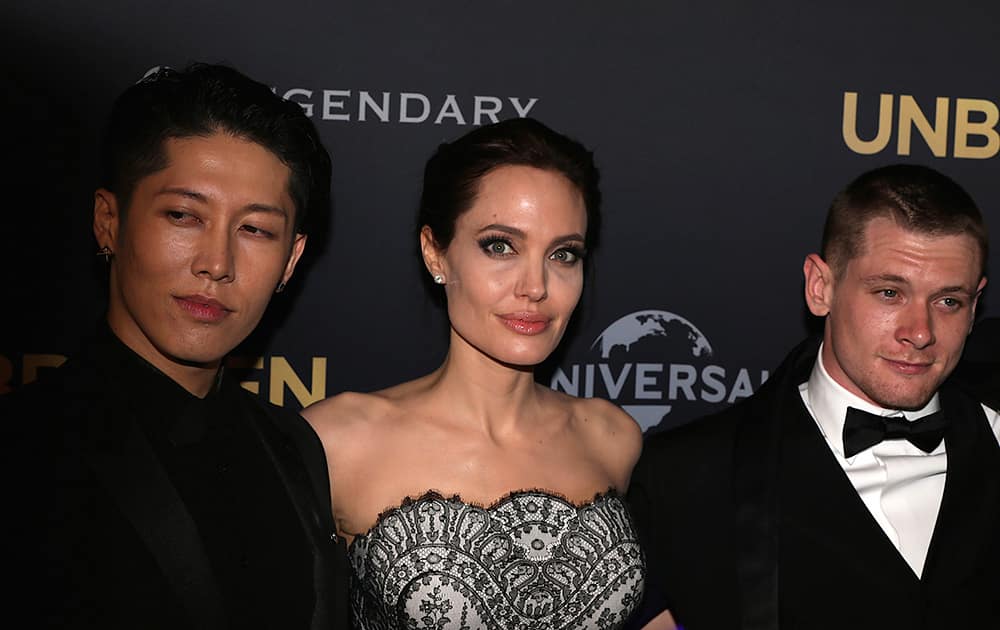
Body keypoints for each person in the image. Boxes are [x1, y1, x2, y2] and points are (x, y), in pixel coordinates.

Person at [2, 63, 348, 629]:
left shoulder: (295, 448)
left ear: (291, 259)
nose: (217, 263)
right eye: (184, 215)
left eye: (255, 230)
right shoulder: (21, 451)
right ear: (108, 221)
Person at [303, 117, 646, 629]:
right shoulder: (337, 441)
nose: (536, 286)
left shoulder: (612, 436)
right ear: (435, 252)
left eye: (564, 254)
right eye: (500, 246)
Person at [627, 164, 999, 630]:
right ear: (820, 287)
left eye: (949, 301)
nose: (920, 333)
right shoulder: (684, 479)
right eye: (889, 293)